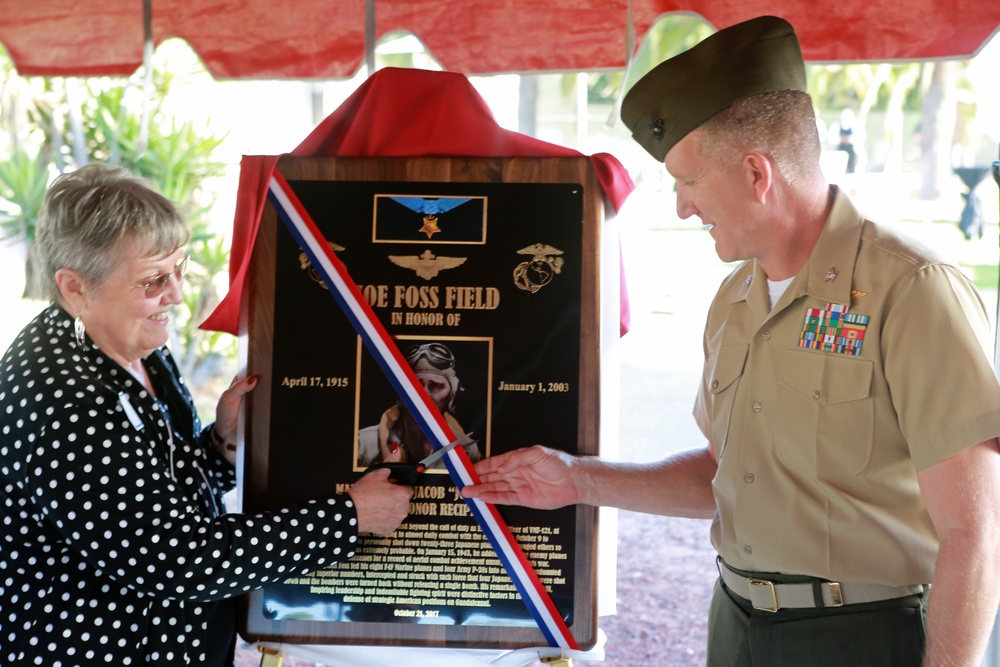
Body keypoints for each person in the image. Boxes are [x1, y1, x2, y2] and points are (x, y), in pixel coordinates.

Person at [463, 16, 1000, 667]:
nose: (683, 207)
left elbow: (975, 535)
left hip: (861, 635)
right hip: (736, 624)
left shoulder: (912, 289)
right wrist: (577, 480)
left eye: (689, 181)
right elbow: (724, 476)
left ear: (756, 173)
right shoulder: (734, 299)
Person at [0, 164, 414, 665]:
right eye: (154, 279)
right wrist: (349, 518)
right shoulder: (64, 403)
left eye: (179, 268)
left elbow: (159, 488)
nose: (174, 294)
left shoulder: (132, 340)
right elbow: (176, 559)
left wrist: (222, 442)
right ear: (74, 288)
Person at [358, 342, 482, 467]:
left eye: (436, 386)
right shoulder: (363, 445)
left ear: (452, 394)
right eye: (415, 386)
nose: (424, 395)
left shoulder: (468, 451)